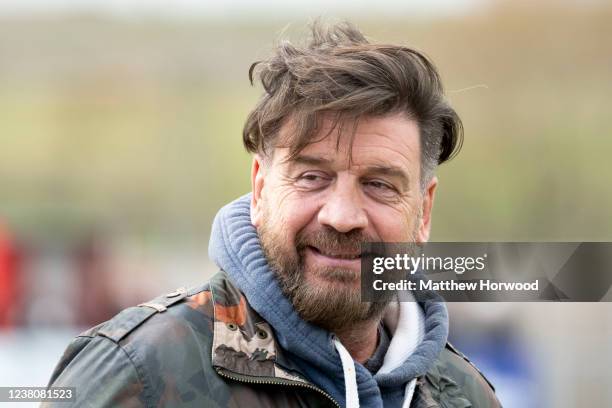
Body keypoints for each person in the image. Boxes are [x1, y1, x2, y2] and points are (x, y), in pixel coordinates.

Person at [45, 21, 501, 407]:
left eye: (379, 185)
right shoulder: (138, 374)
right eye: (312, 177)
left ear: (423, 212)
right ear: (260, 188)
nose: (343, 217)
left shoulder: (465, 396)